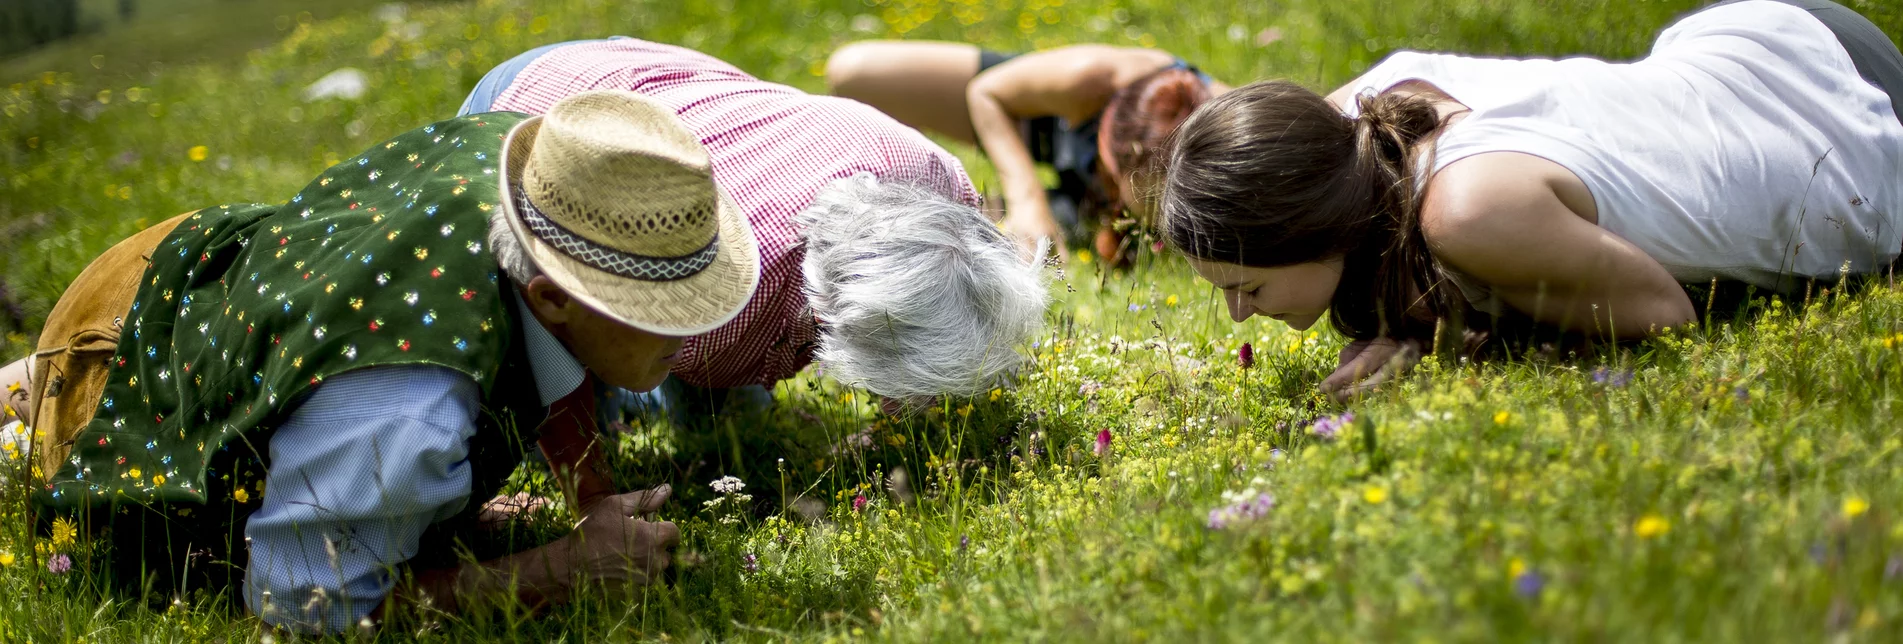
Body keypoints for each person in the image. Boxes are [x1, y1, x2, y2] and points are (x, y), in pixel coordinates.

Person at [2, 90, 760, 632]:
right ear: (551, 297)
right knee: (21, 437)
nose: (689, 331)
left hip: (203, 282)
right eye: (656, 313)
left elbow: (553, 353)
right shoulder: (406, 406)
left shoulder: (537, 176)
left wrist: (583, 496)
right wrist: (559, 571)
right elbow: (302, 608)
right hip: (117, 375)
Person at [1157, 0, 1903, 400]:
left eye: (1247, 287)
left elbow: (1665, 316)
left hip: (1848, 128)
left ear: (1313, 226)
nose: (1239, 314)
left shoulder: (1470, 212)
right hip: (1760, 33)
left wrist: (1435, 348)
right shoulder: (1354, 120)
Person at [459, 37, 1049, 417]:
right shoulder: (718, 313)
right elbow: (576, 321)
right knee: (594, 394)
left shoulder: (940, 182)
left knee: (728, 408)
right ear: (833, 325)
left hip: (648, 73)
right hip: (538, 121)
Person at [824, 41, 1229, 264]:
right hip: (1040, 118)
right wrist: (1027, 200)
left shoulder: (1235, 140)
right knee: (855, 70)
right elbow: (985, 91)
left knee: (934, 229)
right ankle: (1040, 205)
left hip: (1103, 211)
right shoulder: (1093, 79)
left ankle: (1061, 213)